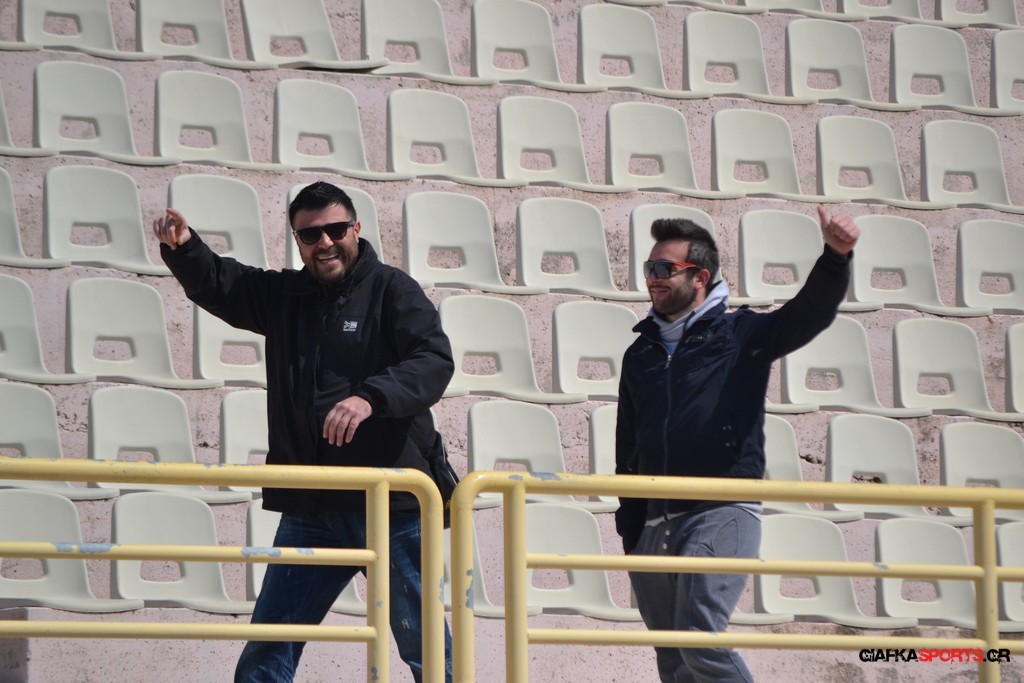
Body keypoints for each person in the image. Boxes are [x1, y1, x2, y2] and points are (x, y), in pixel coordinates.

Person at [153, 181, 454, 683]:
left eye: (336, 229)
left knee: (428, 654)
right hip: (312, 506)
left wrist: (371, 397)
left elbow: (434, 360)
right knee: (266, 655)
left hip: (390, 504)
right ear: (297, 240)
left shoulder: (393, 290)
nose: (325, 243)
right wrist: (184, 248)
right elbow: (225, 284)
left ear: (356, 228)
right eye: (311, 235)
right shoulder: (285, 296)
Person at [615, 206, 859, 682]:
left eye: (664, 268)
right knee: (674, 660)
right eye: (649, 268)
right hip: (653, 522)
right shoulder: (640, 353)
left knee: (700, 640)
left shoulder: (739, 334)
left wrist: (835, 256)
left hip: (719, 508)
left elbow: (806, 315)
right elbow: (628, 446)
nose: (653, 278)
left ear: (700, 277)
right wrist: (632, 526)